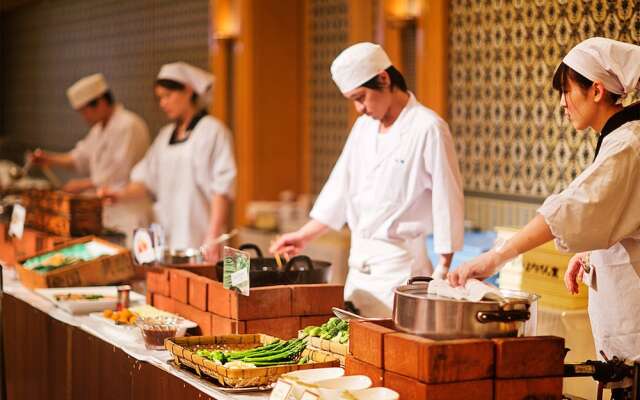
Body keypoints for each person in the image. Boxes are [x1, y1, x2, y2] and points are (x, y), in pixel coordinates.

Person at [449, 38, 640, 367]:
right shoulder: (618, 140)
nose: (563, 104)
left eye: (566, 91)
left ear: (596, 90)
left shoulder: (629, 143)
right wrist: (589, 250)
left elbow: (572, 207)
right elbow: (611, 210)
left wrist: (497, 258)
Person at [270, 43, 464, 317]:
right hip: (358, 273)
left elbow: (448, 201)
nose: (359, 109)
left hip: (400, 273)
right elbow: (340, 189)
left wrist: (443, 269)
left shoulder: (428, 128)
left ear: (384, 79)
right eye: (353, 100)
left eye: (361, 97)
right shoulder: (363, 128)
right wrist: (303, 236)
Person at [101, 62, 236, 263]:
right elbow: (145, 180)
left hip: (202, 239)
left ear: (189, 91)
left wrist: (213, 235)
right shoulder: (164, 137)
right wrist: (119, 194)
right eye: (159, 98)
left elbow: (222, 189)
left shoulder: (213, 131)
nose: (163, 103)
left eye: (168, 96)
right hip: (167, 240)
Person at [32, 73, 151, 242]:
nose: (84, 118)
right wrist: (49, 159)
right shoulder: (98, 130)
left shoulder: (128, 125)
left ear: (100, 102)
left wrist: (80, 185)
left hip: (128, 211)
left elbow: (117, 174)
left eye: (84, 111)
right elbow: (79, 157)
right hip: (106, 211)